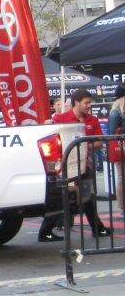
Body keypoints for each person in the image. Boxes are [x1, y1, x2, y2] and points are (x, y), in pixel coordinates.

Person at [39, 88, 113, 241]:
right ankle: (45, 231)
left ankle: (96, 228)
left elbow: (99, 141)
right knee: (59, 197)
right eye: (86, 103)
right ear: (76, 102)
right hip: (65, 167)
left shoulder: (92, 120)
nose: (88, 106)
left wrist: (85, 147)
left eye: (89, 103)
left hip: (84, 165)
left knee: (87, 197)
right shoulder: (61, 118)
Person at [107, 85, 125, 213]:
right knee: (121, 177)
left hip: (121, 147)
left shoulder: (117, 109)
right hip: (121, 148)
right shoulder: (116, 111)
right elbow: (113, 132)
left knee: (121, 177)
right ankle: (122, 206)